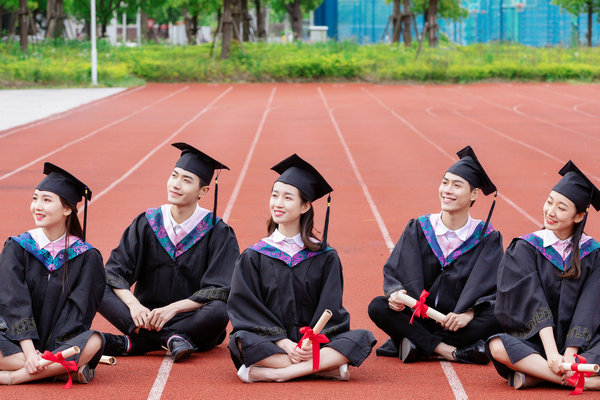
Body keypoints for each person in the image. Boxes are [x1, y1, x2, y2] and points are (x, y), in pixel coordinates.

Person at [228, 154, 376, 382]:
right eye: (275, 195)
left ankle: (282, 372)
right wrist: (286, 344)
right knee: (241, 340)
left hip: (312, 342)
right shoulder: (254, 255)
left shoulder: (325, 257)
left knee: (362, 337)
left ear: (305, 206)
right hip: (272, 342)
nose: (278, 203)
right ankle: (326, 367)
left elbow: (331, 307)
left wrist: (309, 342)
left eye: (288, 198)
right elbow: (246, 308)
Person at [99, 143, 240, 362]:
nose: (176, 185)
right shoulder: (147, 222)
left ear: (204, 191)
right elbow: (115, 272)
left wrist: (173, 309)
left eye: (186, 180)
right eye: (174, 176)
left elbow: (220, 289)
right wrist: (134, 305)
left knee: (220, 309)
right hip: (144, 316)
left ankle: (138, 342)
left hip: (192, 318)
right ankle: (170, 339)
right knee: (97, 286)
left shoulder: (218, 232)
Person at [368, 145, 503, 364]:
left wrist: (467, 314)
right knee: (378, 306)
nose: (447, 190)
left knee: (500, 315)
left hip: (457, 323)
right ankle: (448, 350)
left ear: (474, 194)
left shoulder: (486, 237)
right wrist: (395, 294)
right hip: (419, 318)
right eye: (444, 182)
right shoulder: (420, 228)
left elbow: (495, 288)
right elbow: (395, 272)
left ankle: (418, 344)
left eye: (457, 185)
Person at [488, 161, 600, 391]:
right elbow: (531, 299)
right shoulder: (526, 247)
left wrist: (570, 353)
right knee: (497, 345)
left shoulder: (593, 253)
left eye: (561, 207)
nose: (550, 211)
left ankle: (538, 376)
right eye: (550, 202)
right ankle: (579, 380)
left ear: (578, 216)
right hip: (538, 343)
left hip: (583, 345)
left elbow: (590, 306)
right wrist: (551, 353)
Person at [0, 163, 105, 386]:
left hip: (59, 344)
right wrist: (30, 354)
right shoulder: (17, 247)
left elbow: (79, 312)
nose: (37, 206)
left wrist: (49, 351)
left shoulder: (86, 257)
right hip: (14, 340)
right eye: (35, 198)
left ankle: (12, 377)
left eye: (46, 200)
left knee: (95, 340)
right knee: (72, 356)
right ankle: (57, 370)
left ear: (67, 209)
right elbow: (13, 302)